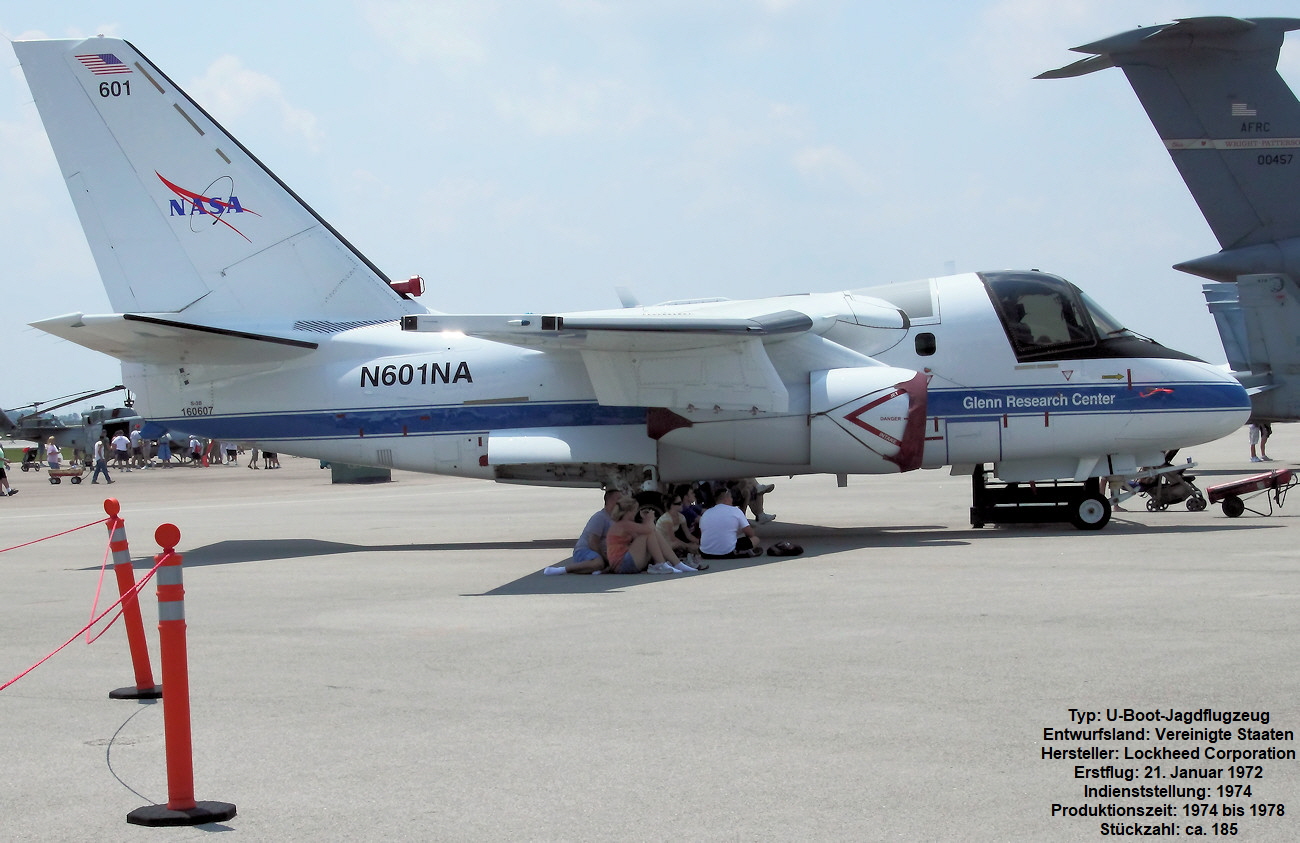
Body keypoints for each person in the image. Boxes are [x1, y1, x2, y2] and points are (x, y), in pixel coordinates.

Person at [603, 498, 693, 574]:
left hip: (623, 564)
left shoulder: (624, 525)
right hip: (622, 564)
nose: (635, 513)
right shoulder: (624, 524)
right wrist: (649, 518)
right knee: (648, 533)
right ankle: (663, 564)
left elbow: (644, 535)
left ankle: (674, 563)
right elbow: (648, 530)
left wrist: (646, 520)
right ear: (628, 512)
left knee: (650, 534)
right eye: (635, 511)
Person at [545, 490, 622, 575]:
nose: (621, 501)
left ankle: (594, 569)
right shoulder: (600, 517)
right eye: (618, 499)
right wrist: (605, 559)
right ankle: (562, 570)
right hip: (584, 550)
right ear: (609, 501)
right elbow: (593, 542)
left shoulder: (616, 518)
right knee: (598, 563)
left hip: (599, 553)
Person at [699, 486, 763, 559]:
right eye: (731, 498)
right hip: (727, 552)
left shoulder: (706, 513)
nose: (732, 500)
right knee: (755, 539)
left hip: (705, 553)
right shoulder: (735, 511)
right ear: (726, 499)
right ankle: (743, 551)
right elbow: (750, 533)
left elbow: (703, 533)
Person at [655, 493, 701, 563]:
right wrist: (688, 546)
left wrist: (701, 542)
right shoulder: (666, 519)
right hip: (661, 544)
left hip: (670, 543)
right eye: (679, 503)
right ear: (671, 506)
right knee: (680, 544)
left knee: (692, 545)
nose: (682, 504)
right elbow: (672, 538)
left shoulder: (681, 517)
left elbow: (688, 535)